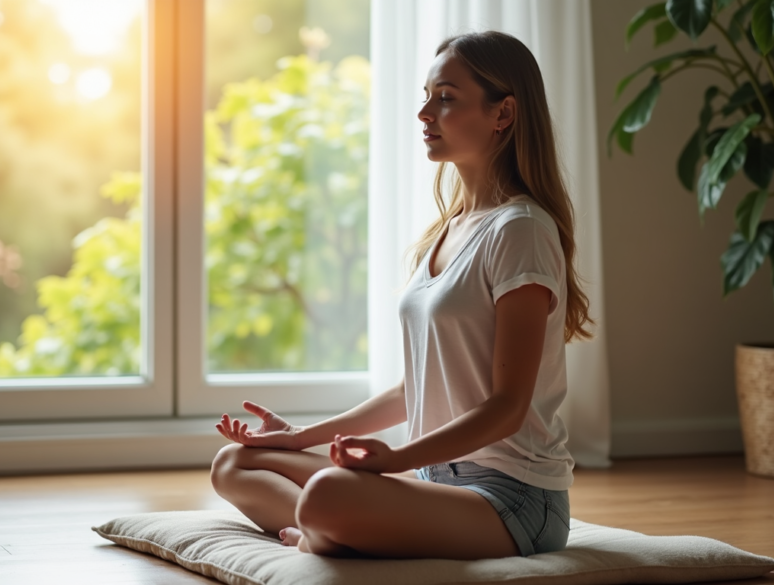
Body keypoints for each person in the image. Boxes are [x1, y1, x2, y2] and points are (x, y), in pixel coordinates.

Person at [209, 30, 596, 560]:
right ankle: (332, 532)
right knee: (235, 464)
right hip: (437, 479)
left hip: (512, 499)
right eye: (426, 96)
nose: (424, 113)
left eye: (445, 98)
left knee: (326, 493)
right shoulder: (451, 228)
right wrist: (298, 437)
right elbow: (415, 388)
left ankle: (329, 530)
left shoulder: (521, 229)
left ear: (502, 114)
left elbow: (507, 409)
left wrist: (392, 461)